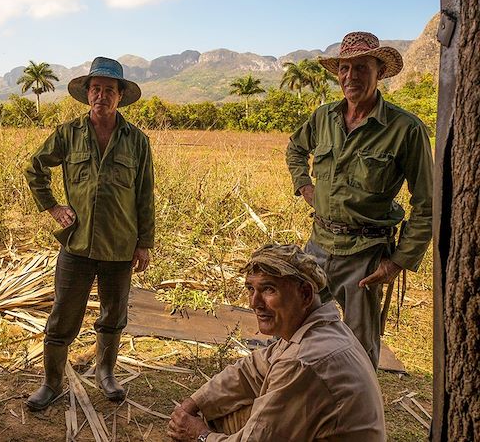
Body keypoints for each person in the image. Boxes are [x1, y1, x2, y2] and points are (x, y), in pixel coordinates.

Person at [286, 31, 433, 368]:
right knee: (300, 327)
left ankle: (355, 413)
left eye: (361, 68)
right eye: (344, 68)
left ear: (379, 72)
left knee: (359, 348)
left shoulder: (405, 129)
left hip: (365, 256)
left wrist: (397, 262)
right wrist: (305, 186)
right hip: (318, 245)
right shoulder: (324, 118)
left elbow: (426, 203)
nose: (350, 76)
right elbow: (295, 149)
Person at [23, 56, 155, 410]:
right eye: (95, 89)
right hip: (77, 245)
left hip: (120, 246)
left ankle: (106, 373)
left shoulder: (137, 142)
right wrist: (52, 206)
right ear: (87, 94)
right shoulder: (68, 134)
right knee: (63, 315)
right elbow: (34, 167)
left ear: (120, 95)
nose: (101, 95)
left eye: (108, 90)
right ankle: (51, 383)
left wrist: (144, 243)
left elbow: (145, 194)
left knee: (113, 316)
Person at [168, 244, 386, 442]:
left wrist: (200, 436)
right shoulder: (318, 330)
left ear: (305, 294)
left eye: (268, 289)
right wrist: (193, 404)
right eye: (250, 289)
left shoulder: (305, 360)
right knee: (219, 411)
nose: (254, 303)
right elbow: (251, 370)